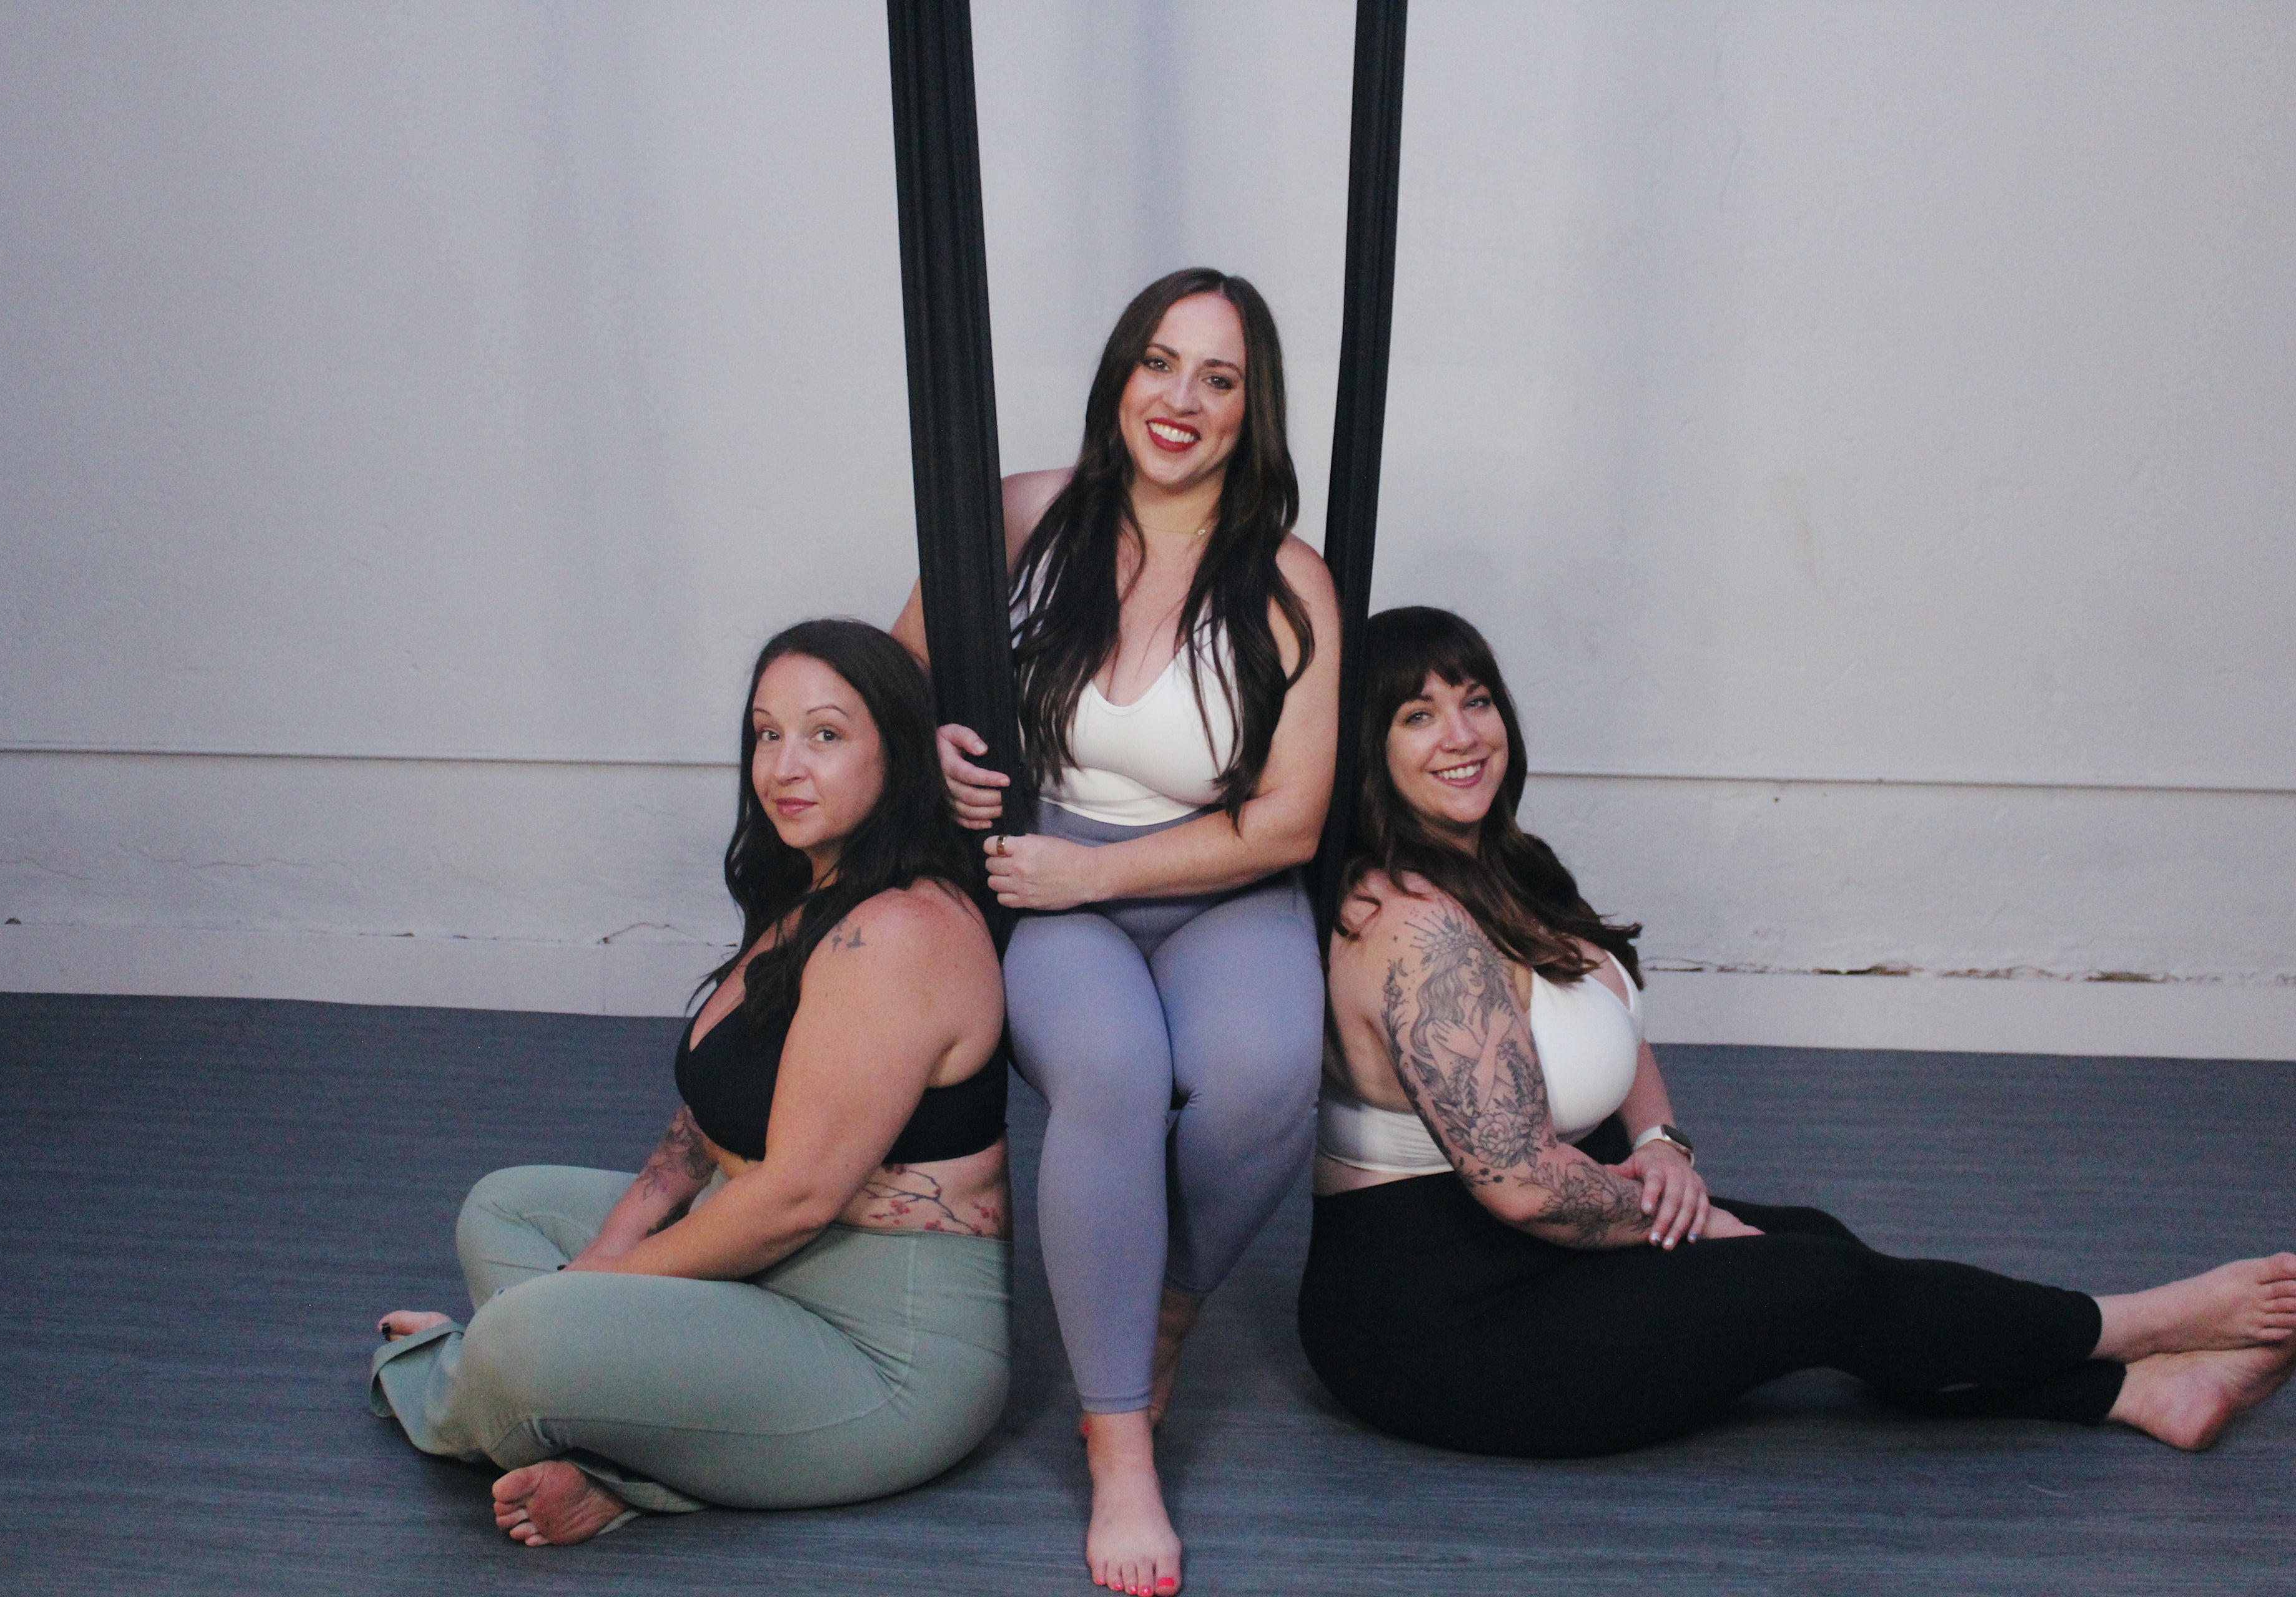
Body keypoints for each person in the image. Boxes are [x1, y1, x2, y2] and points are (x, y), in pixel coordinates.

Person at [1300, 604, 2296, 1459]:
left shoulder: (1506, 865)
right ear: (1370, 753)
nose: (1461, 733)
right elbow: (1521, 1186)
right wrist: (1678, 1221)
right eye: (1417, 715)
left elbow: (1610, 1021)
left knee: (1812, 1244)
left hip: (1533, 1250)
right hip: (1440, 1331)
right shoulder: (1413, 927)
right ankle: (2147, 1326)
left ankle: (2137, 1396)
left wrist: (1659, 1147)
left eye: (1475, 700)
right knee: (1808, 1278)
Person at [370, 618, 1011, 1546]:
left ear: (898, 754)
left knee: (520, 1339)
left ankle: (457, 1377)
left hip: (885, 1357)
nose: (786, 765)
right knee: (502, 1208)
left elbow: (793, 1199)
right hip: (767, 1269)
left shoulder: (903, 932)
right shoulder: (811, 888)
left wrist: (592, 1295)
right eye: (767, 733)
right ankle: (613, 1445)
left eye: (826, 735)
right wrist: (605, 1258)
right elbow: (703, 1124)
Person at [895, 267, 1338, 1596]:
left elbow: (1290, 826)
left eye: (1219, 377)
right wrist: (941, 753)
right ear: (1120, 375)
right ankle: (1120, 1441)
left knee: (1264, 1079)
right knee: (1115, 1075)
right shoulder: (1030, 516)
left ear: (1251, 411)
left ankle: (1165, 1302)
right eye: (1159, 363)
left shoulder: (1288, 579)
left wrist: (1099, 880)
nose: (1181, 399)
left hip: (1219, 880)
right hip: (1052, 865)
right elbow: (894, 681)